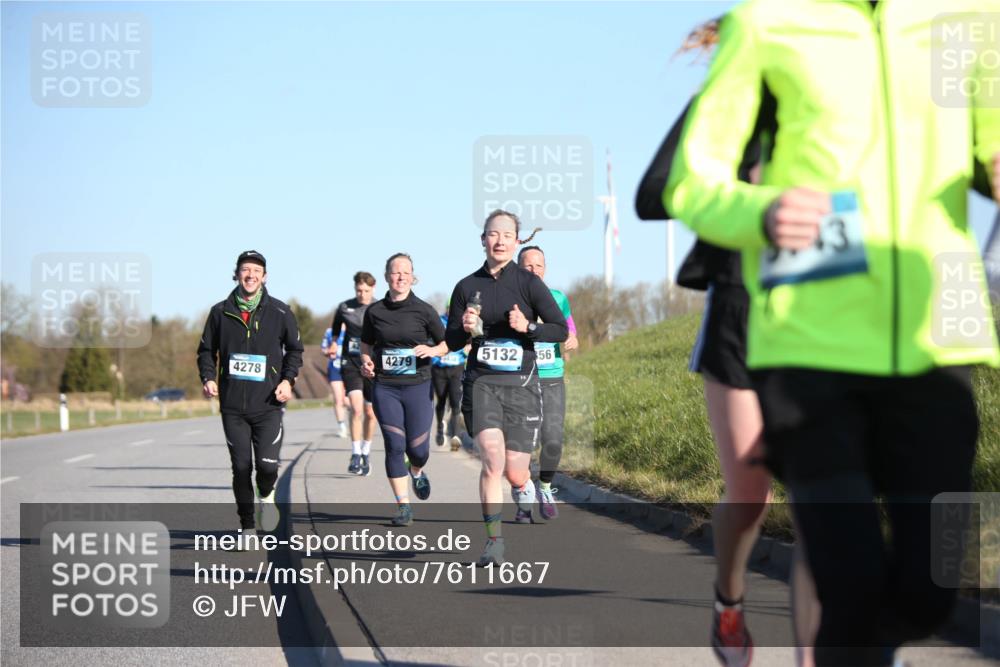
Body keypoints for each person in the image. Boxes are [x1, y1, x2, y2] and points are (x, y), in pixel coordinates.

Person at [664, 3, 1000, 665]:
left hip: (937, 335)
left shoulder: (971, 17)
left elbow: (990, 139)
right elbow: (688, 181)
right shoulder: (770, 21)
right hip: (807, 342)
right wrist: (760, 210)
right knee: (845, 576)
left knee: (930, 591)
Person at [446, 209, 568, 566]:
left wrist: (528, 327)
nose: (499, 240)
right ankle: (493, 541)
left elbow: (560, 330)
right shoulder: (466, 287)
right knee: (492, 461)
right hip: (482, 383)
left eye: (506, 235)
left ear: (517, 241)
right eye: (492, 234)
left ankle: (522, 485)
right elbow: (450, 341)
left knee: (515, 470)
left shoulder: (529, 284)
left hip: (523, 386)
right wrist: (465, 329)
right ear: (483, 239)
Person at [197, 250, 303, 532]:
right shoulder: (220, 312)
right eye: (245, 269)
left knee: (267, 468)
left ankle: (266, 496)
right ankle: (246, 527)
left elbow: (295, 350)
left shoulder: (280, 312)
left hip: (268, 404)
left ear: (264, 277)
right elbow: (206, 350)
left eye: (256, 270)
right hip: (233, 407)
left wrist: (287, 381)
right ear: (236, 274)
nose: (251, 275)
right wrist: (208, 377)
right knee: (241, 468)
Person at [360, 253, 448, 526]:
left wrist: (432, 350)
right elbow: (366, 345)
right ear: (386, 277)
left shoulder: (424, 310)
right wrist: (366, 361)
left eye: (405, 272)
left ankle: (417, 471)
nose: (400, 277)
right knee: (395, 446)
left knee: (418, 449)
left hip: (418, 386)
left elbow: (446, 344)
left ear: (413, 276)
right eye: (395, 272)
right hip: (385, 387)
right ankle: (403, 506)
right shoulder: (375, 312)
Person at [516, 245, 579, 520]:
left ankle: (544, 486)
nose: (534, 270)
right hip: (519, 378)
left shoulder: (557, 298)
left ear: (546, 268)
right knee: (519, 443)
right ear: (518, 269)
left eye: (539, 265)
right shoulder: (511, 299)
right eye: (528, 266)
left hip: (552, 375)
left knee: (552, 439)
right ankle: (523, 494)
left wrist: (573, 338)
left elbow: (569, 328)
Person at [331, 272, 378, 476]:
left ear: (373, 289)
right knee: (357, 410)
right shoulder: (344, 307)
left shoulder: (380, 307)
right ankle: (355, 453)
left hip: (373, 365)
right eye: (359, 290)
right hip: (350, 362)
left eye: (366, 291)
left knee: (370, 413)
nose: (362, 294)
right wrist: (333, 343)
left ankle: (366, 451)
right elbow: (335, 329)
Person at [431, 305, 468, 451]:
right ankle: (440, 427)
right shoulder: (438, 321)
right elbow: (430, 340)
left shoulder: (464, 323)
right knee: (441, 399)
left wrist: (468, 348)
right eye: (450, 308)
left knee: (455, 402)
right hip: (439, 368)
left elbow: (472, 342)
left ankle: (456, 436)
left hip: (456, 368)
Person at [321, 326, 349, 438]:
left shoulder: (353, 328)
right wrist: (328, 352)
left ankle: (354, 418)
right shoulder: (329, 331)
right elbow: (323, 349)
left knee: (347, 400)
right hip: (334, 369)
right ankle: (342, 427)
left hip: (350, 368)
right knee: (338, 399)